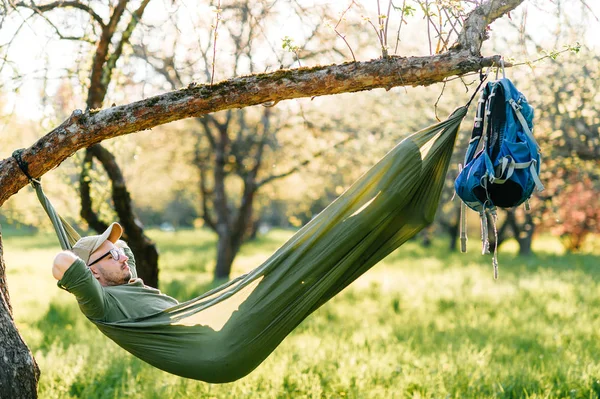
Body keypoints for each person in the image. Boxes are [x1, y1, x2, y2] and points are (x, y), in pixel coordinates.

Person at [53, 222, 178, 322]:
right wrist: (84, 273)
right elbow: (61, 261)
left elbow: (122, 244)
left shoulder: (125, 278)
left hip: (189, 317)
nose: (124, 258)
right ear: (92, 272)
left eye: (119, 253)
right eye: (112, 256)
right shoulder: (102, 303)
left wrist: (111, 249)